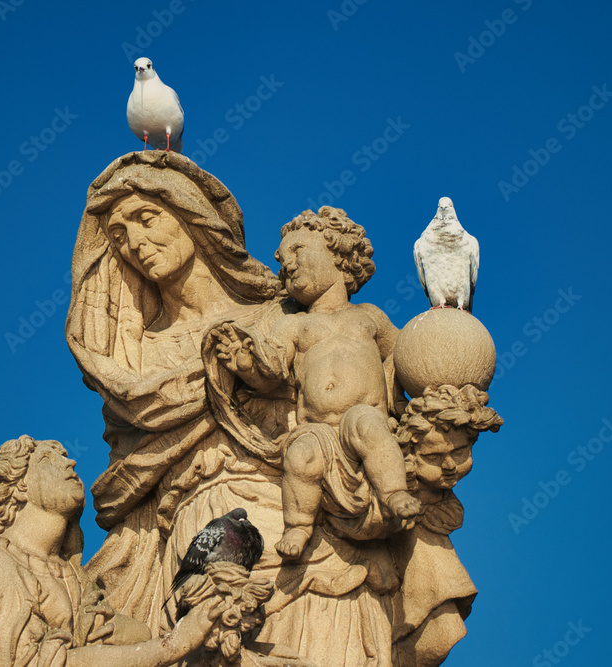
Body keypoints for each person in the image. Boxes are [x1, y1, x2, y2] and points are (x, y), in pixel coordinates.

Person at [65, 151, 292, 633]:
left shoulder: (276, 318)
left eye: (147, 219)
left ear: (192, 214)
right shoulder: (134, 363)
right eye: (120, 236)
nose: (135, 244)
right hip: (188, 531)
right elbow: (129, 479)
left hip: (291, 520)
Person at [211, 207, 421, 559]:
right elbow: (272, 369)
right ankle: (298, 525)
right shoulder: (294, 325)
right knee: (301, 457)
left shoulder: (368, 317)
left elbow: (404, 355)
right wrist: (247, 365)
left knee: (371, 429)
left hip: (362, 414)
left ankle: (395, 493)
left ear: (339, 255)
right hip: (317, 428)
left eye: (298, 251)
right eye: (282, 260)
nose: (287, 265)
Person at [0, 435, 226, 667]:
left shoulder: (76, 580)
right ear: (19, 486)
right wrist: (171, 646)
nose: (70, 464)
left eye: (65, 458)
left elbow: (136, 636)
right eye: (49, 460)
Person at [389, 384, 502, 667]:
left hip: (430, 556)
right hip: (406, 561)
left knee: (442, 632)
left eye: (461, 452)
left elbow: (453, 515)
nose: (450, 466)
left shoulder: (439, 494)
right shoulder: (397, 481)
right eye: (433, 457)